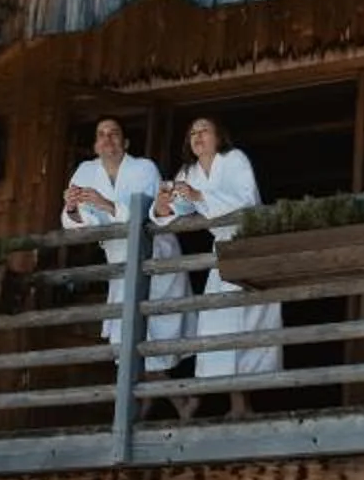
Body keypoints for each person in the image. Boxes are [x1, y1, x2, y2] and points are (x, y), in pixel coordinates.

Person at [162, 116, 283, 414]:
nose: (197, 136)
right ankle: (236, 404)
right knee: (220, 324)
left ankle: (247, 404)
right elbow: (172, 210)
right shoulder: (188, 171)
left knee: (251, 327)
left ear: (219, 137)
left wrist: (200, 196)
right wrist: (164, 203)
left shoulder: (234, 159)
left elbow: (247, 201)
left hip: (249, 243)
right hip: (222, 251)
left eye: (204, 130)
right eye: (192, 132)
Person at [61, 117, 184, 373]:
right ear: (95, 145)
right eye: (101, 134)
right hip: (117, 259)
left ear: (125, 142)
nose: (107, 139)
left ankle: (176, 401)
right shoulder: (85, 171)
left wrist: (107, 204)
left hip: (155, 254)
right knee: (127, 335)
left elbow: (150, 213)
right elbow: (72, 222)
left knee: (156, 328)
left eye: (114, 133)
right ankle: (179, 402)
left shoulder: (144, 168)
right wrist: (72, 208)